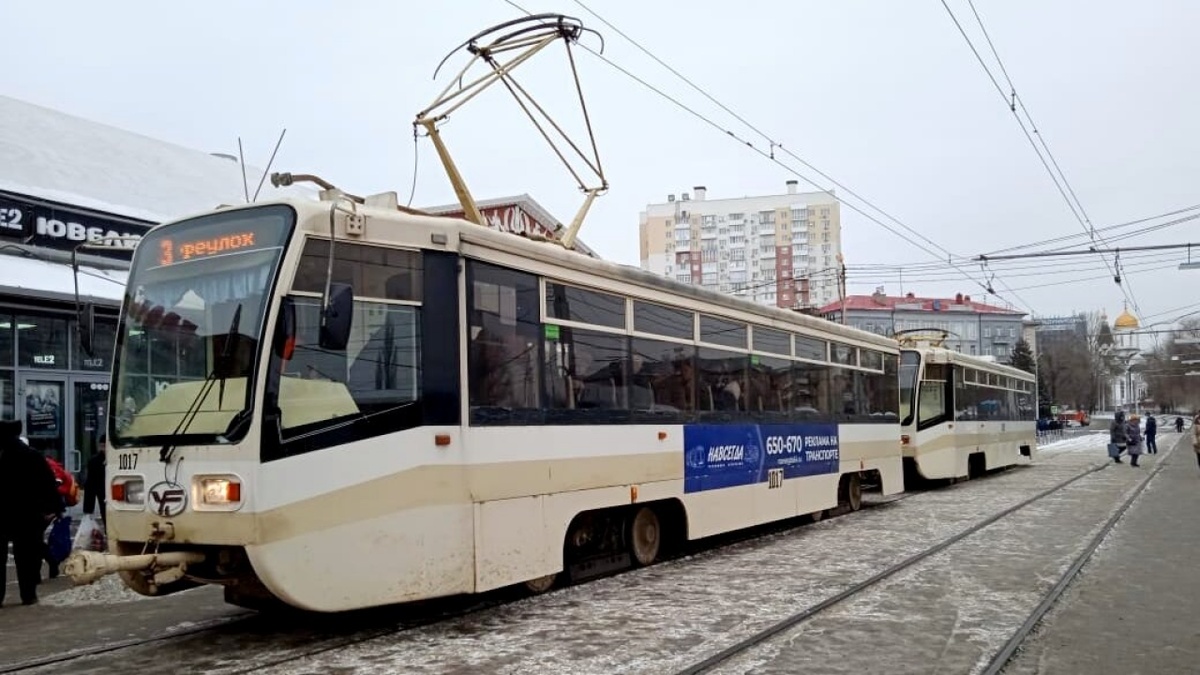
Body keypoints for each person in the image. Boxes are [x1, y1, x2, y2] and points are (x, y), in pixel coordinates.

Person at [0, 421, 63, 606]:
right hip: (28, 515)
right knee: (27, 556)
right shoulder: (32, 456)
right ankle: (28, 595)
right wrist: (54, 508)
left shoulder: (6, 455)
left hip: (5, 515)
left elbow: (47, 483)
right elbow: (48, 483)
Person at [83, 434, 107, 519]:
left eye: (105, 446)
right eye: (102, 446)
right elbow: (90, 485)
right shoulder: (95, 462)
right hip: (103, 498)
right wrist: (88, 510)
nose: (104, 449)